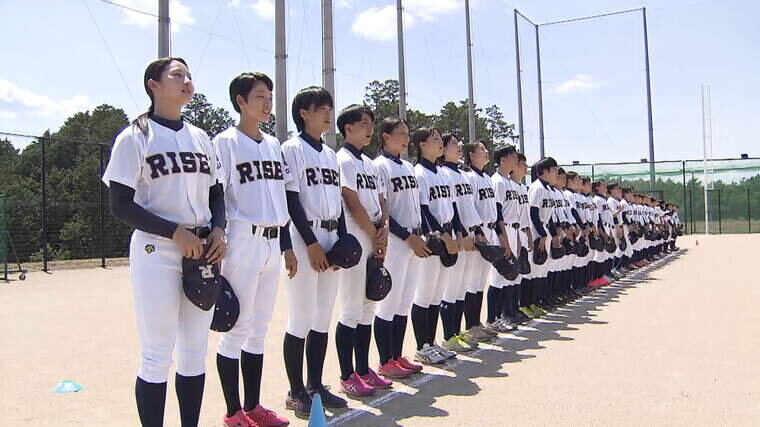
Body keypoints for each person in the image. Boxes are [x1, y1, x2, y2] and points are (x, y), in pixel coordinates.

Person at [103, 57, 226, 427]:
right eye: (177, 75)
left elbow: (217, 192)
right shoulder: (134, 136)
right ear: (153, 85)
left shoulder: (201, 137)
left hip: (203, 248)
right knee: (157, 354)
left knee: (193, 353)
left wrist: (219, 229)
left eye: (189, 76)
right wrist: (174, 231)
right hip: (157, 250)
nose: (187, 81)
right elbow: (120, 204)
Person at [212, 72, 293, 427]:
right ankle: (234, 413)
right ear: (240, 101)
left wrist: (287, 245)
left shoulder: (274, 144)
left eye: (270, 95)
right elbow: (215, 192)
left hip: (273, 240)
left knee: (259, 328)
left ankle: (254, 406)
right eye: (260, 95)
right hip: (242, 237)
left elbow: (280, 198)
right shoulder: (225, 142)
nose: (268, 101)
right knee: (236, 328)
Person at [281, 86, 347, 417]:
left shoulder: (331, 154)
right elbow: (291, 201)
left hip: (332, 236)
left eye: (329, 107)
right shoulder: (291, 149)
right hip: (305, 237)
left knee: (322, 318)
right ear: (303, 112)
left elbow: (338, 203)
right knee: (302, 317)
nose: (327, 112)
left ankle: (315, 385)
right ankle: (295, 391)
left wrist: (344, 242)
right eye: (321, 107)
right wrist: (310, 243)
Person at [334, 104, 392, 397]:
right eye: (365, 123)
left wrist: (383, 228)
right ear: (348, 128)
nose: (370, 128)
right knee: (352, 307)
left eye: (371, 123)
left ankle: (364, 369)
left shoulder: (369, 162)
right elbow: (351, 201)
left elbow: (382, 201)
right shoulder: (342, 159)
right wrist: (374, 234)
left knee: (370, 304)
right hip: (357, 234)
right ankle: (347, 375)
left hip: (375, 233)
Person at [373, 117, 429, 378]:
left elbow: (418, 206)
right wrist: (408, 237)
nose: (406, 138)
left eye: (407, 134)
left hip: (415, 240)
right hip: (397, 241)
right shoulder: (379, 167)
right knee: (388, 303)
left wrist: (421, 236)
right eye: (401, 134)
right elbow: (384, 212)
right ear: (386, 136)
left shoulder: (408, 166)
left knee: (404, 302)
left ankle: (397, 355)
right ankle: (385, 360)